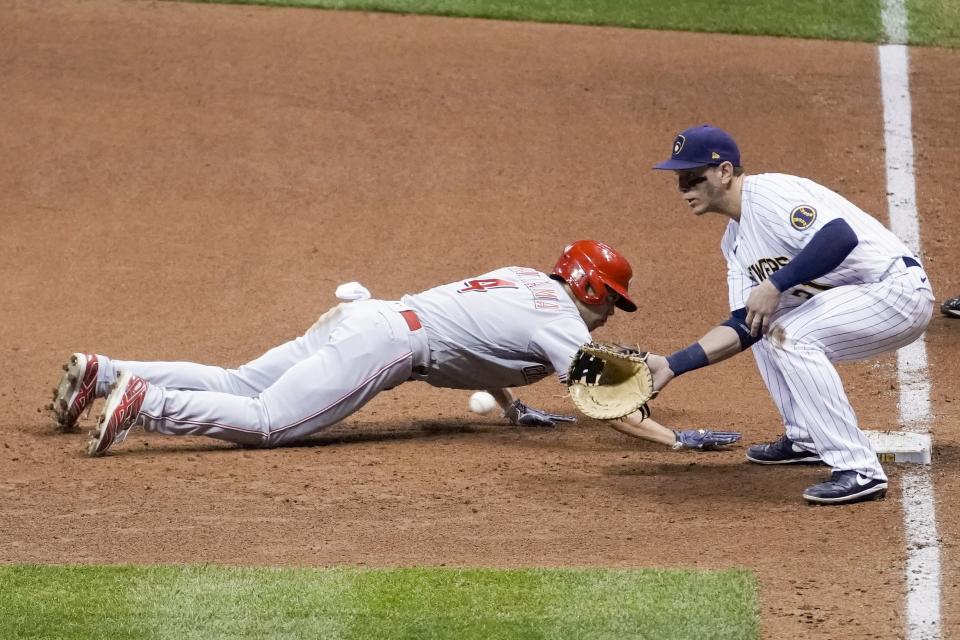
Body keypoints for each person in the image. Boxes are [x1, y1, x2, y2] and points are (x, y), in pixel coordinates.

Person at [48, 240, 738, 456]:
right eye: (610, 301)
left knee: (239, 382)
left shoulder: (529, 283)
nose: (609, 316)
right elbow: (607, 399)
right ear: (590, 289)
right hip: (383, 350)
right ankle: (147, 404)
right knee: (265, 425)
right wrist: (672, 442)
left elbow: (485, 341)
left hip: (368, 318)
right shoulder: (561, 322)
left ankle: (107, 373)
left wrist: (512, 408)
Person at [648, 124, 935, 505]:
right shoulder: (734, 244)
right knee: (766, 328)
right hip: (861, 297)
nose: (683, 189)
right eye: (679, 180)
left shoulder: (769, 195)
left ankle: (860, 470)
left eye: (691, 178)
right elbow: (744, 325)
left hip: (896, 291)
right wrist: (673, 364)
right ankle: (807, 437)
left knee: (792, 336)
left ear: (724, 172)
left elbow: (839, 237)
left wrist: (775, 284)